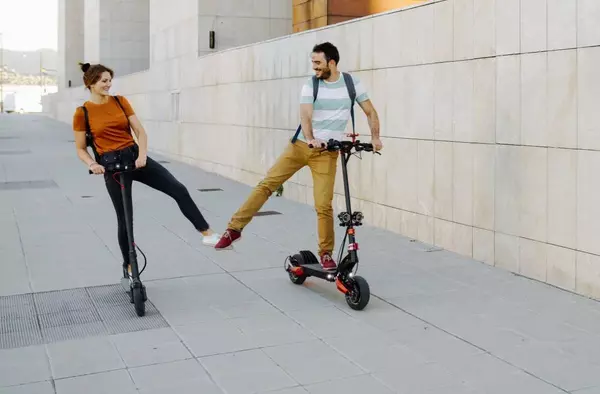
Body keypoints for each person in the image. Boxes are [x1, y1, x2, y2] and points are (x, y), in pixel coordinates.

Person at [214, 42, 382, 270]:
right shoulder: (310, 86)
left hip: (327, 154)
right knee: (267, 184)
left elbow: (370, 111)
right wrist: (311, 138)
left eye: (318, 63)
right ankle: (234, 229)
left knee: (324, 205)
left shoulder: (352, 84)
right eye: (312, 62)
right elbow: (305, 116)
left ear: (331, 62)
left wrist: (375, 137)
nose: (314, 67)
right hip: (301, 147)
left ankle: (325, 254)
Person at [72, 63, 220, 275]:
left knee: (178, 189)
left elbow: (140, 132)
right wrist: (92, 164)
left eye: (109, 80)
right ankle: (130, 265)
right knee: (125, 219)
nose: (109, 84)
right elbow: (80, 148)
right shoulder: (82, 113)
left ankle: (206, 233)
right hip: (112, 168)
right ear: (91, 83)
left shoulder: (120, 101)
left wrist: (142, 156)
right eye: (104, 81)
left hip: (135, 157)